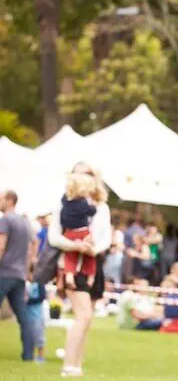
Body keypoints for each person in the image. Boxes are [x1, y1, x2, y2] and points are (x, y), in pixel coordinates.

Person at [48, 161, 112, 377]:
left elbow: (106, 238)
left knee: (87, 319)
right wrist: (76, 245)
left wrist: (95, 249)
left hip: (94, 263)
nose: (81, 177)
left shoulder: (101, 206)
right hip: (72, 264)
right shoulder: (64, 204)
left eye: (86, 174)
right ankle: (68, 365)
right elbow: (54, 237)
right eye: (77, 174)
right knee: (83, 316)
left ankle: (77, 366)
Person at [0, 189, 35, 361]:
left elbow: (1, 245)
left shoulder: (5, 220)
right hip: (19, 274)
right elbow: (33, 244)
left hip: (4, 272)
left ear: (8, 200)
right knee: (23, 316)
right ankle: (28, 355)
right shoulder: (25, 222)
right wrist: (27, 269)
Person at [60, 173, 98, 290]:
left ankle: (69, 276)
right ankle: (91, 277)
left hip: (69, 233)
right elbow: (91, 211)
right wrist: (93, 206)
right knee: (89, 255)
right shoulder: (82, 203)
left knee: (70, 256)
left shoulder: (65, 200)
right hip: (83, 232)